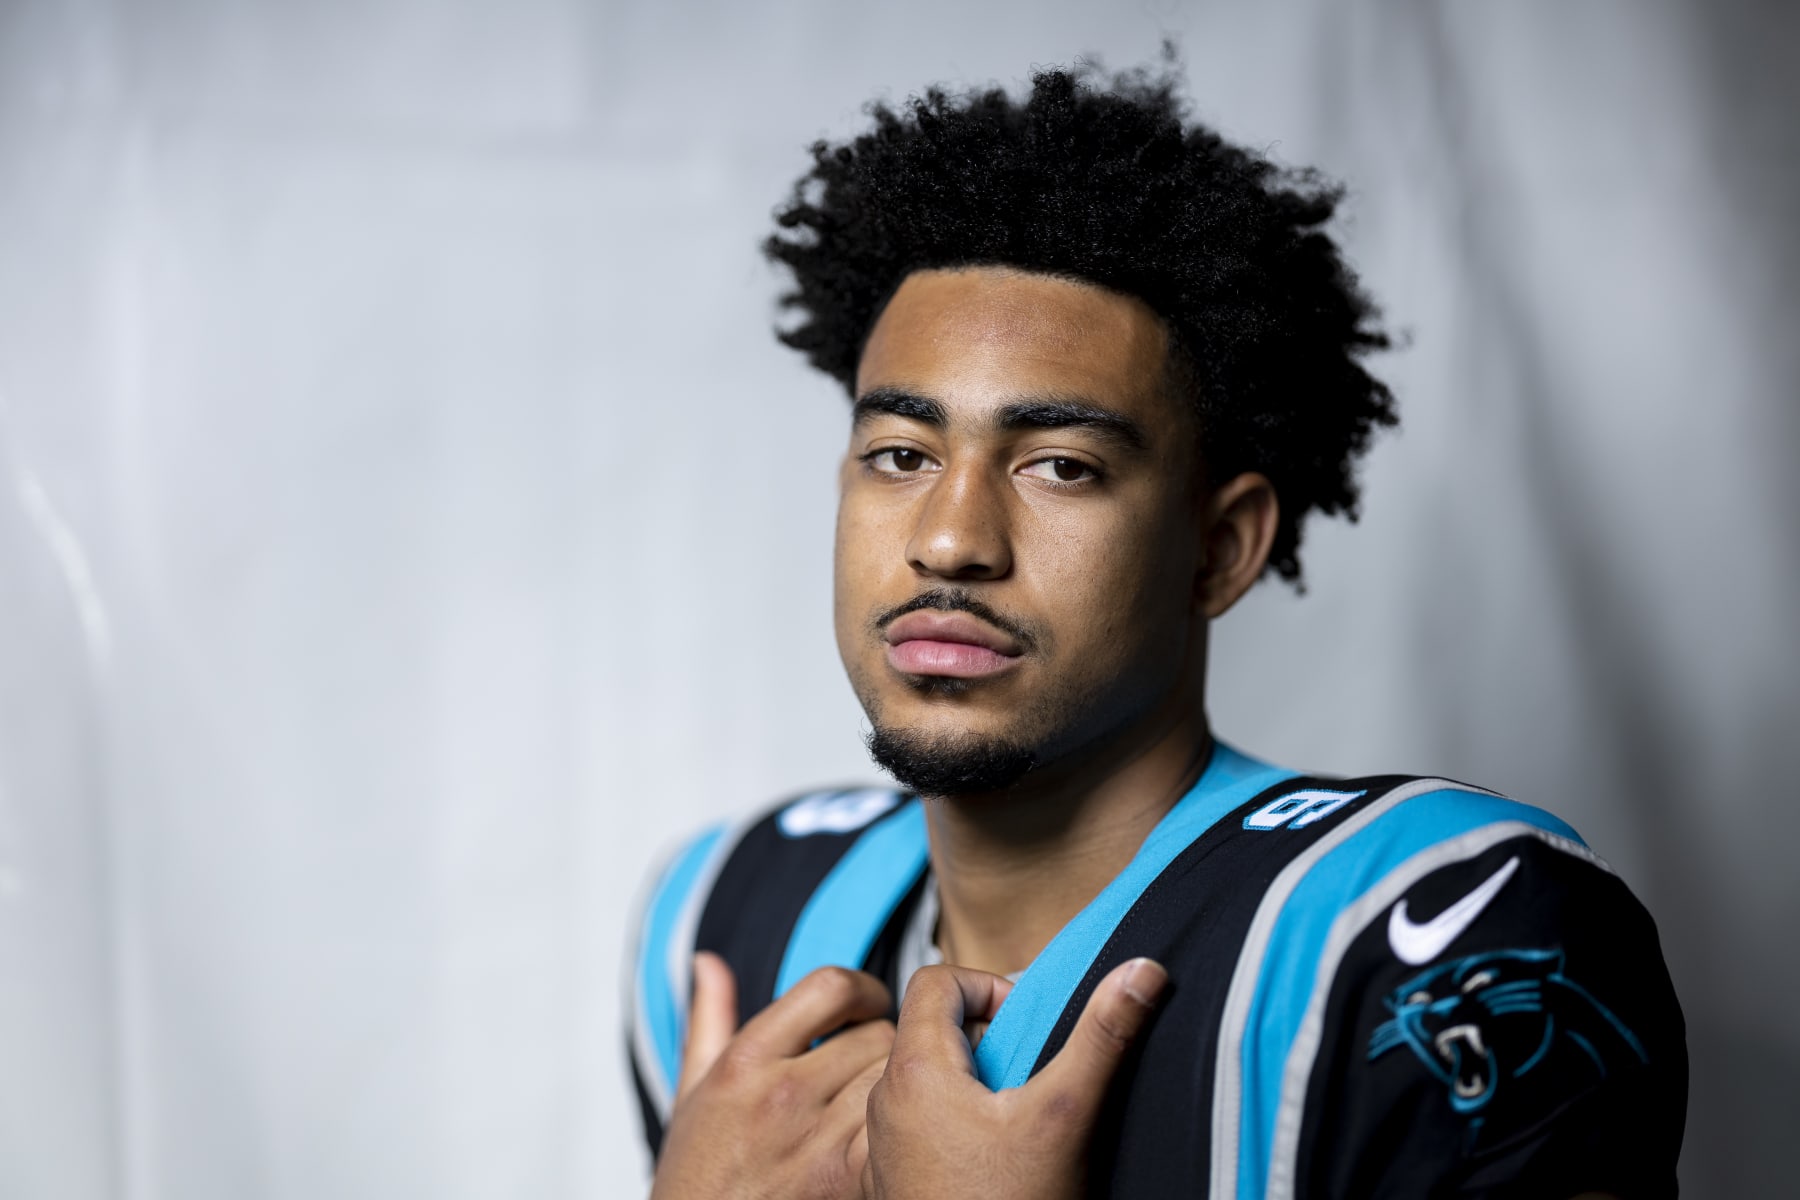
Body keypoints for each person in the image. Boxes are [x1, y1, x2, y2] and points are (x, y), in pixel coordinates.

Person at [625, 61, 1686, 1199]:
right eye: (901, 454)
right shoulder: (724, 913)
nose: (950, 539)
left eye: (1061, 467)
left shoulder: (1439, 928)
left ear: (1221, 546)